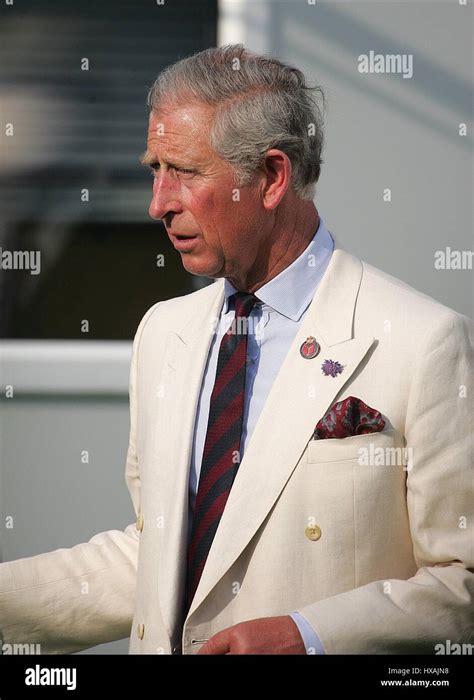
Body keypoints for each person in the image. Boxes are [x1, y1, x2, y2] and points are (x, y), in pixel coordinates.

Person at [0, 44, 472, 655]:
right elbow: (164, 556)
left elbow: (463, 581)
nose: (157, 203)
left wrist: (309, 638)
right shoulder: (164, 333)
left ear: (272, 178)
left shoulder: (425, 341)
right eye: (153, 168)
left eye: (185, 172)